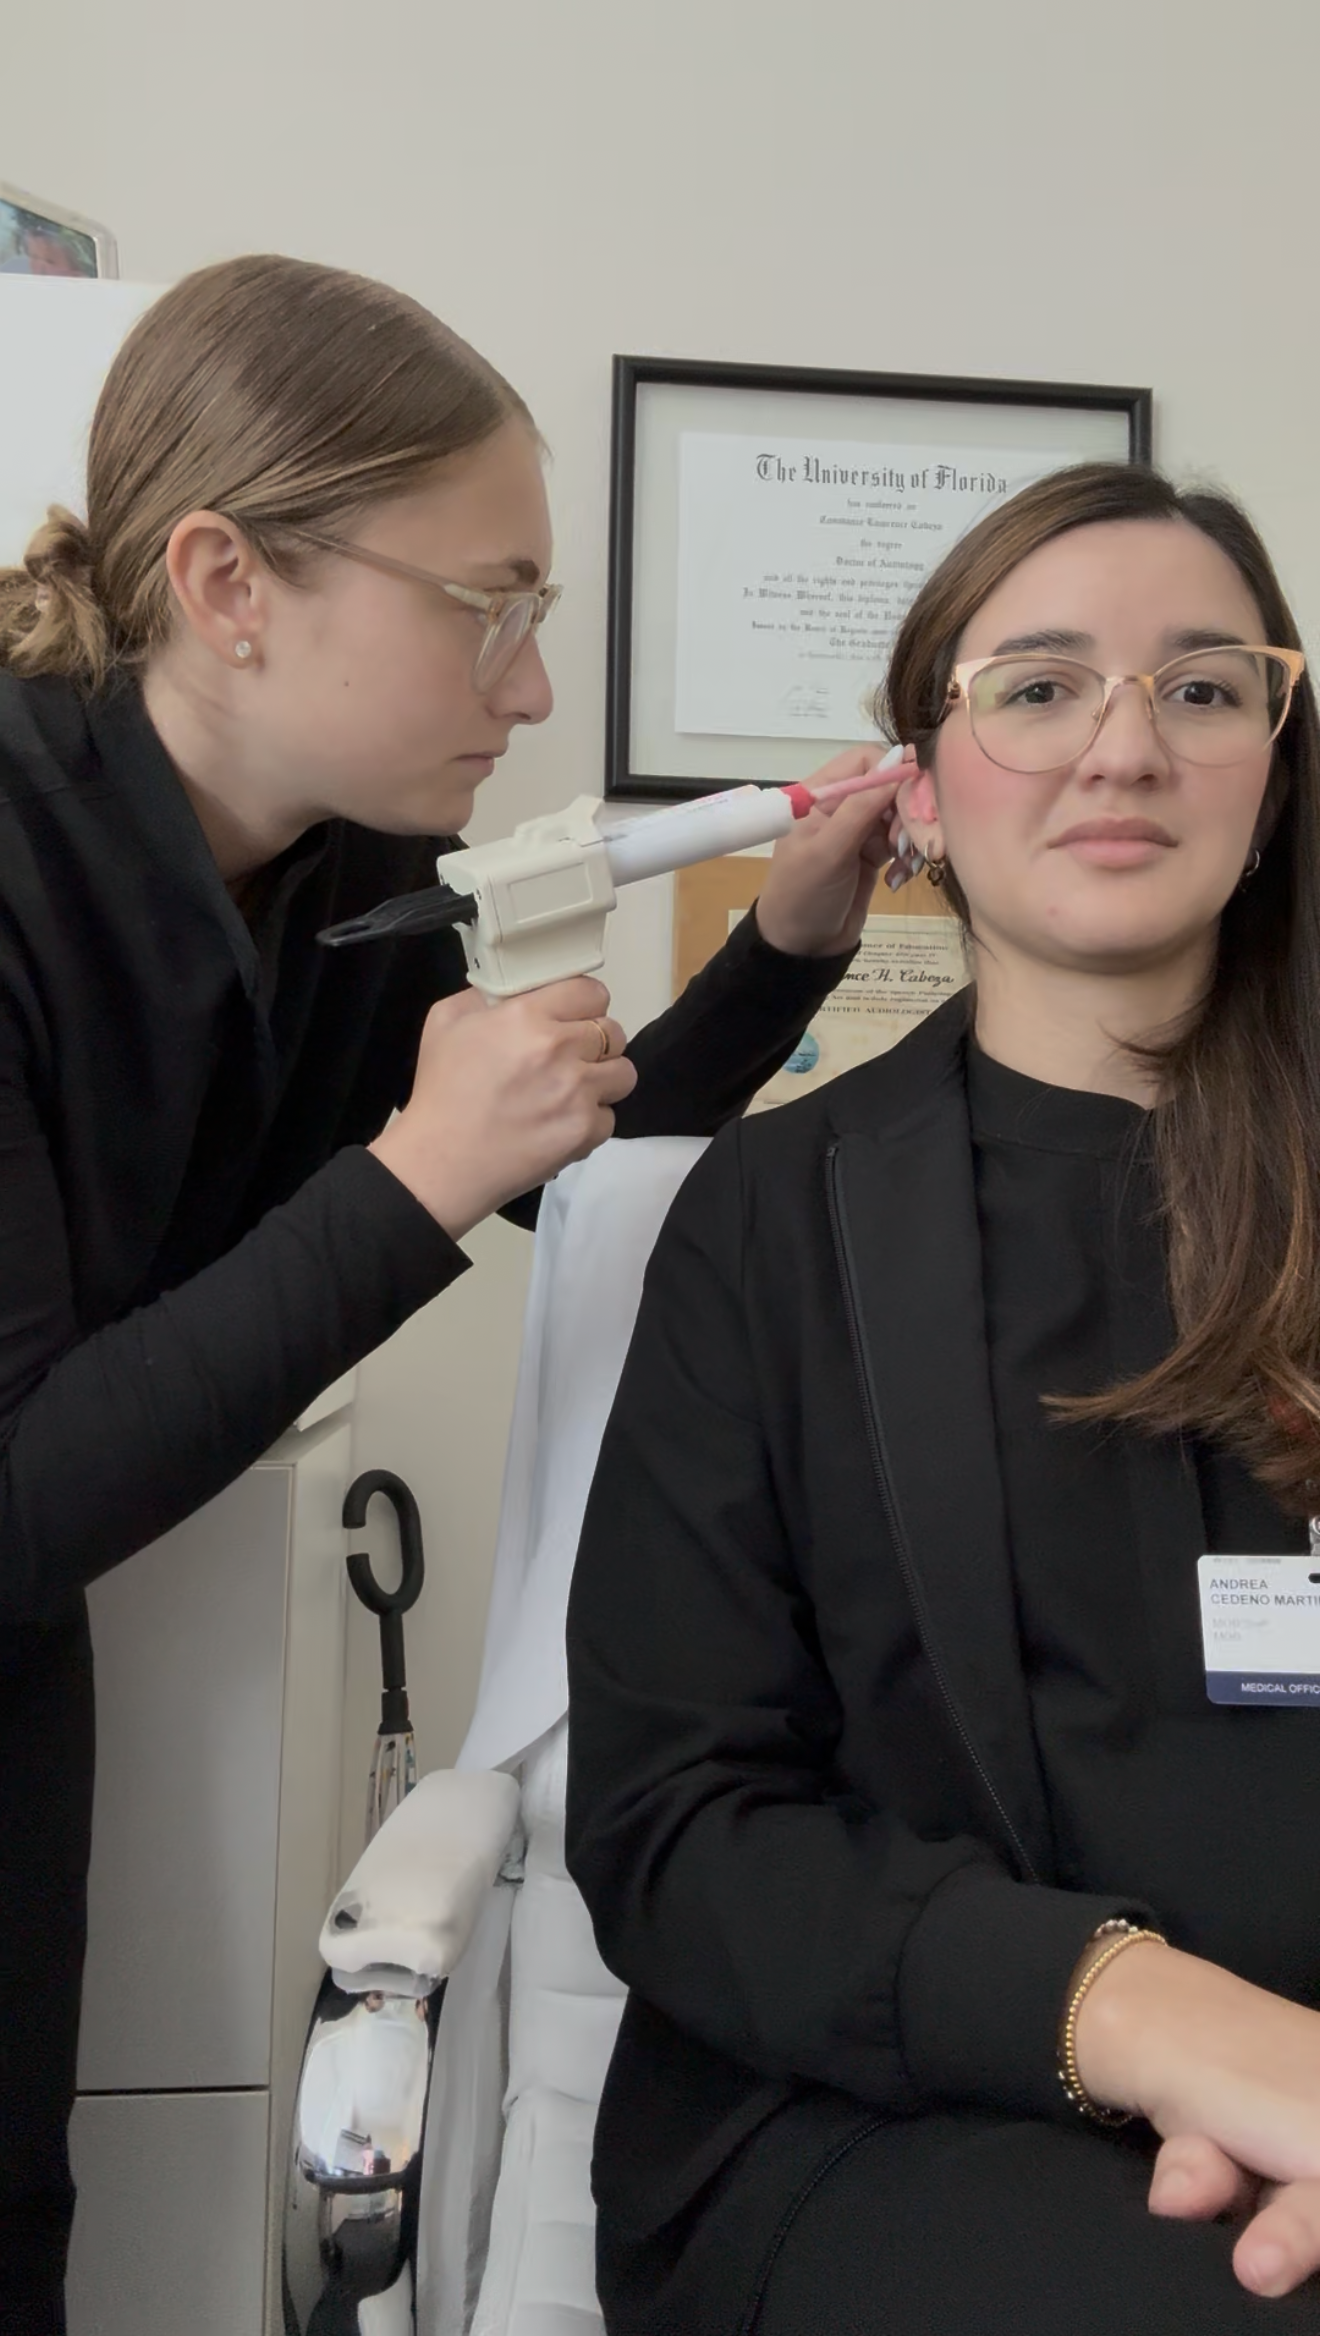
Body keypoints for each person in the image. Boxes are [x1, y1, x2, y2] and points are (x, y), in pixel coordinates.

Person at [0, 252, 905, 2333]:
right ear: (232, 580)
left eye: (541, 623)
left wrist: (782, 943)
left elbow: (561, 1152)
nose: (526, 689)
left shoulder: (319, 876)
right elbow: (20, 1492)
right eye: (487, 609)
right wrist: (413, 1173)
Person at [566, 460, 1320, 2333]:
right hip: (899, 2110)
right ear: (921, 784)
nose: (1124, 749)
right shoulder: (768, 1219)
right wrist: (1147, 2017)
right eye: (1041, 687)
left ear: (1279, 771)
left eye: (1206, 687)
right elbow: (676, 1826)